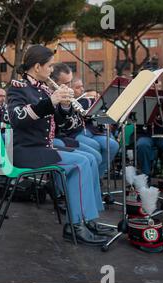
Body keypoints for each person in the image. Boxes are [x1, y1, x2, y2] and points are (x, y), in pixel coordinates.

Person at [7, 44, 111, 245]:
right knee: (79, 164)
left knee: (89, 159)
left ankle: (89, 219)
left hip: (42, 149)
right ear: (37, 67)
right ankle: (75, 225)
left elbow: (61, 124)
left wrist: (64, 106)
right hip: (25, 151)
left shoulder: (44, 88)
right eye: (49, 66)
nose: (52, 70)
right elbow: (17, 118)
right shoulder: (17, 88)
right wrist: (51, 101)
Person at [51, 64, 119, 178]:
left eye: (71, 83)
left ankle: (96, 178)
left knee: (112, 145)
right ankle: (86, 181)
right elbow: (62, 125)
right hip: (69, 134)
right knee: (94, 148)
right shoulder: (58, 97)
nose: (70, 87)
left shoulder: (82, 100)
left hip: (85, 130)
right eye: (75, 86)